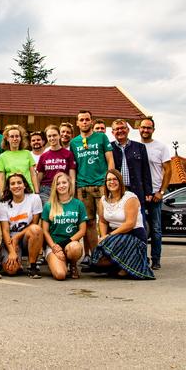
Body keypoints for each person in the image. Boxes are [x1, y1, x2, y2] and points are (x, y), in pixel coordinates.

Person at [70, 110, 114, 271]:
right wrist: (73, 187)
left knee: (105, 219)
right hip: (82, 185)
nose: (84, 122)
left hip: (101, 184)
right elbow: (73, 166)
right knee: (88, 222)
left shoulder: (101, 137)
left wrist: (110, 180)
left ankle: (107, 255)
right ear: (77, 123)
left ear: (91, 121)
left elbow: (110, 159)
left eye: (87, 119)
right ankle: (93, 256)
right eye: (81, 120)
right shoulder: (74, 142)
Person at [90, 169, 155, 280]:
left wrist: (109, 236)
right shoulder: (103, 200)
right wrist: (103, 237)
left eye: (115, 179)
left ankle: (136, 260)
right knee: (97, 262)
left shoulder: (130, 197)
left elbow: (130, 223)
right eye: (109, 180)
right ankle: (127, 263)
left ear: (120, 181)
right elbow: (102, 221)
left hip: (134, 235)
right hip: (114, 236)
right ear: (105, 183)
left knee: (121, 273)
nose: (112, 182)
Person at [139, 118, 171, 270]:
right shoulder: (136, 146)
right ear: (139, 128)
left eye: (149, 128)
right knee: (140, 228)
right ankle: (142, 257)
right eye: (143, 127)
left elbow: (168, 170)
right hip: (140, 194)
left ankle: (156, 259)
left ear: (153, 129)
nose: (146, 130)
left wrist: (161, 191)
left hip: (155, 193)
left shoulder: (161, 147)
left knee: (156, 229)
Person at [41, 173, 87, 280]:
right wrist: (54, 247)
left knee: (75, 248)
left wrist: (63, 244)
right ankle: (58, 262)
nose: (61, 186)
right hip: (53, 245)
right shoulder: (49, 206)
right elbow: (45, 231)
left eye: (64, 182)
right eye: (58, 184)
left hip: (70, 244)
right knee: (60, 275)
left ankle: (73, 264)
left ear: (69, 184)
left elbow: (82, 231)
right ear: (55, 187)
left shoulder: (78, 204)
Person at [0, 173, 44, 278]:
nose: (16, 186)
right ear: (9, 187)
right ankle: (14, 262)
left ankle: (32, 266)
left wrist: (18, 237)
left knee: (36, 230)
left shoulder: (34, 199)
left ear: (24, 185)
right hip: (10, 240)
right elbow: (5, 231)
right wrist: (12, 252)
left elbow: (34, 224)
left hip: (26, 238)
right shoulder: (4, 204)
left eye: (19, 182)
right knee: (11, 270)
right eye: (12, 184)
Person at [111, 119, 152, 221]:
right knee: (118, 222)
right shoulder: (109, 148)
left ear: (128, 130)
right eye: (117, 129)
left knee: (139, 221)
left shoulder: (140, 147)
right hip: (117, 192)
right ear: (112, 132)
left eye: (123, 128)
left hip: (136, 191)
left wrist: (148, 191)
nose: (120, 131)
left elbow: (146, 171)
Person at [36, 124, 76, 205]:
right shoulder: (43, 156)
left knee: (60, 215)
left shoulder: (68, 154)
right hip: (46, 190)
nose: (52, 138)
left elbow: (72, 176)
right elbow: (39, 178)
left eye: (54, 135)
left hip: (63, 188)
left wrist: (72, 191)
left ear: (59, 136)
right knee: (48, 215)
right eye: (49, 136)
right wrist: (36, 193)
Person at [0, 124, 39, 196]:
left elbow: (33, 174)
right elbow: (1, 178)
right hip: (11, 192)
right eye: (12, 136)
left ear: (20, 138)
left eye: (17, 136)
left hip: (28, 191)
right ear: (7, 139)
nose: (15, 139)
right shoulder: (2, 157)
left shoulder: (27, 153)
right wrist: (1, 195)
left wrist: (37, 192)